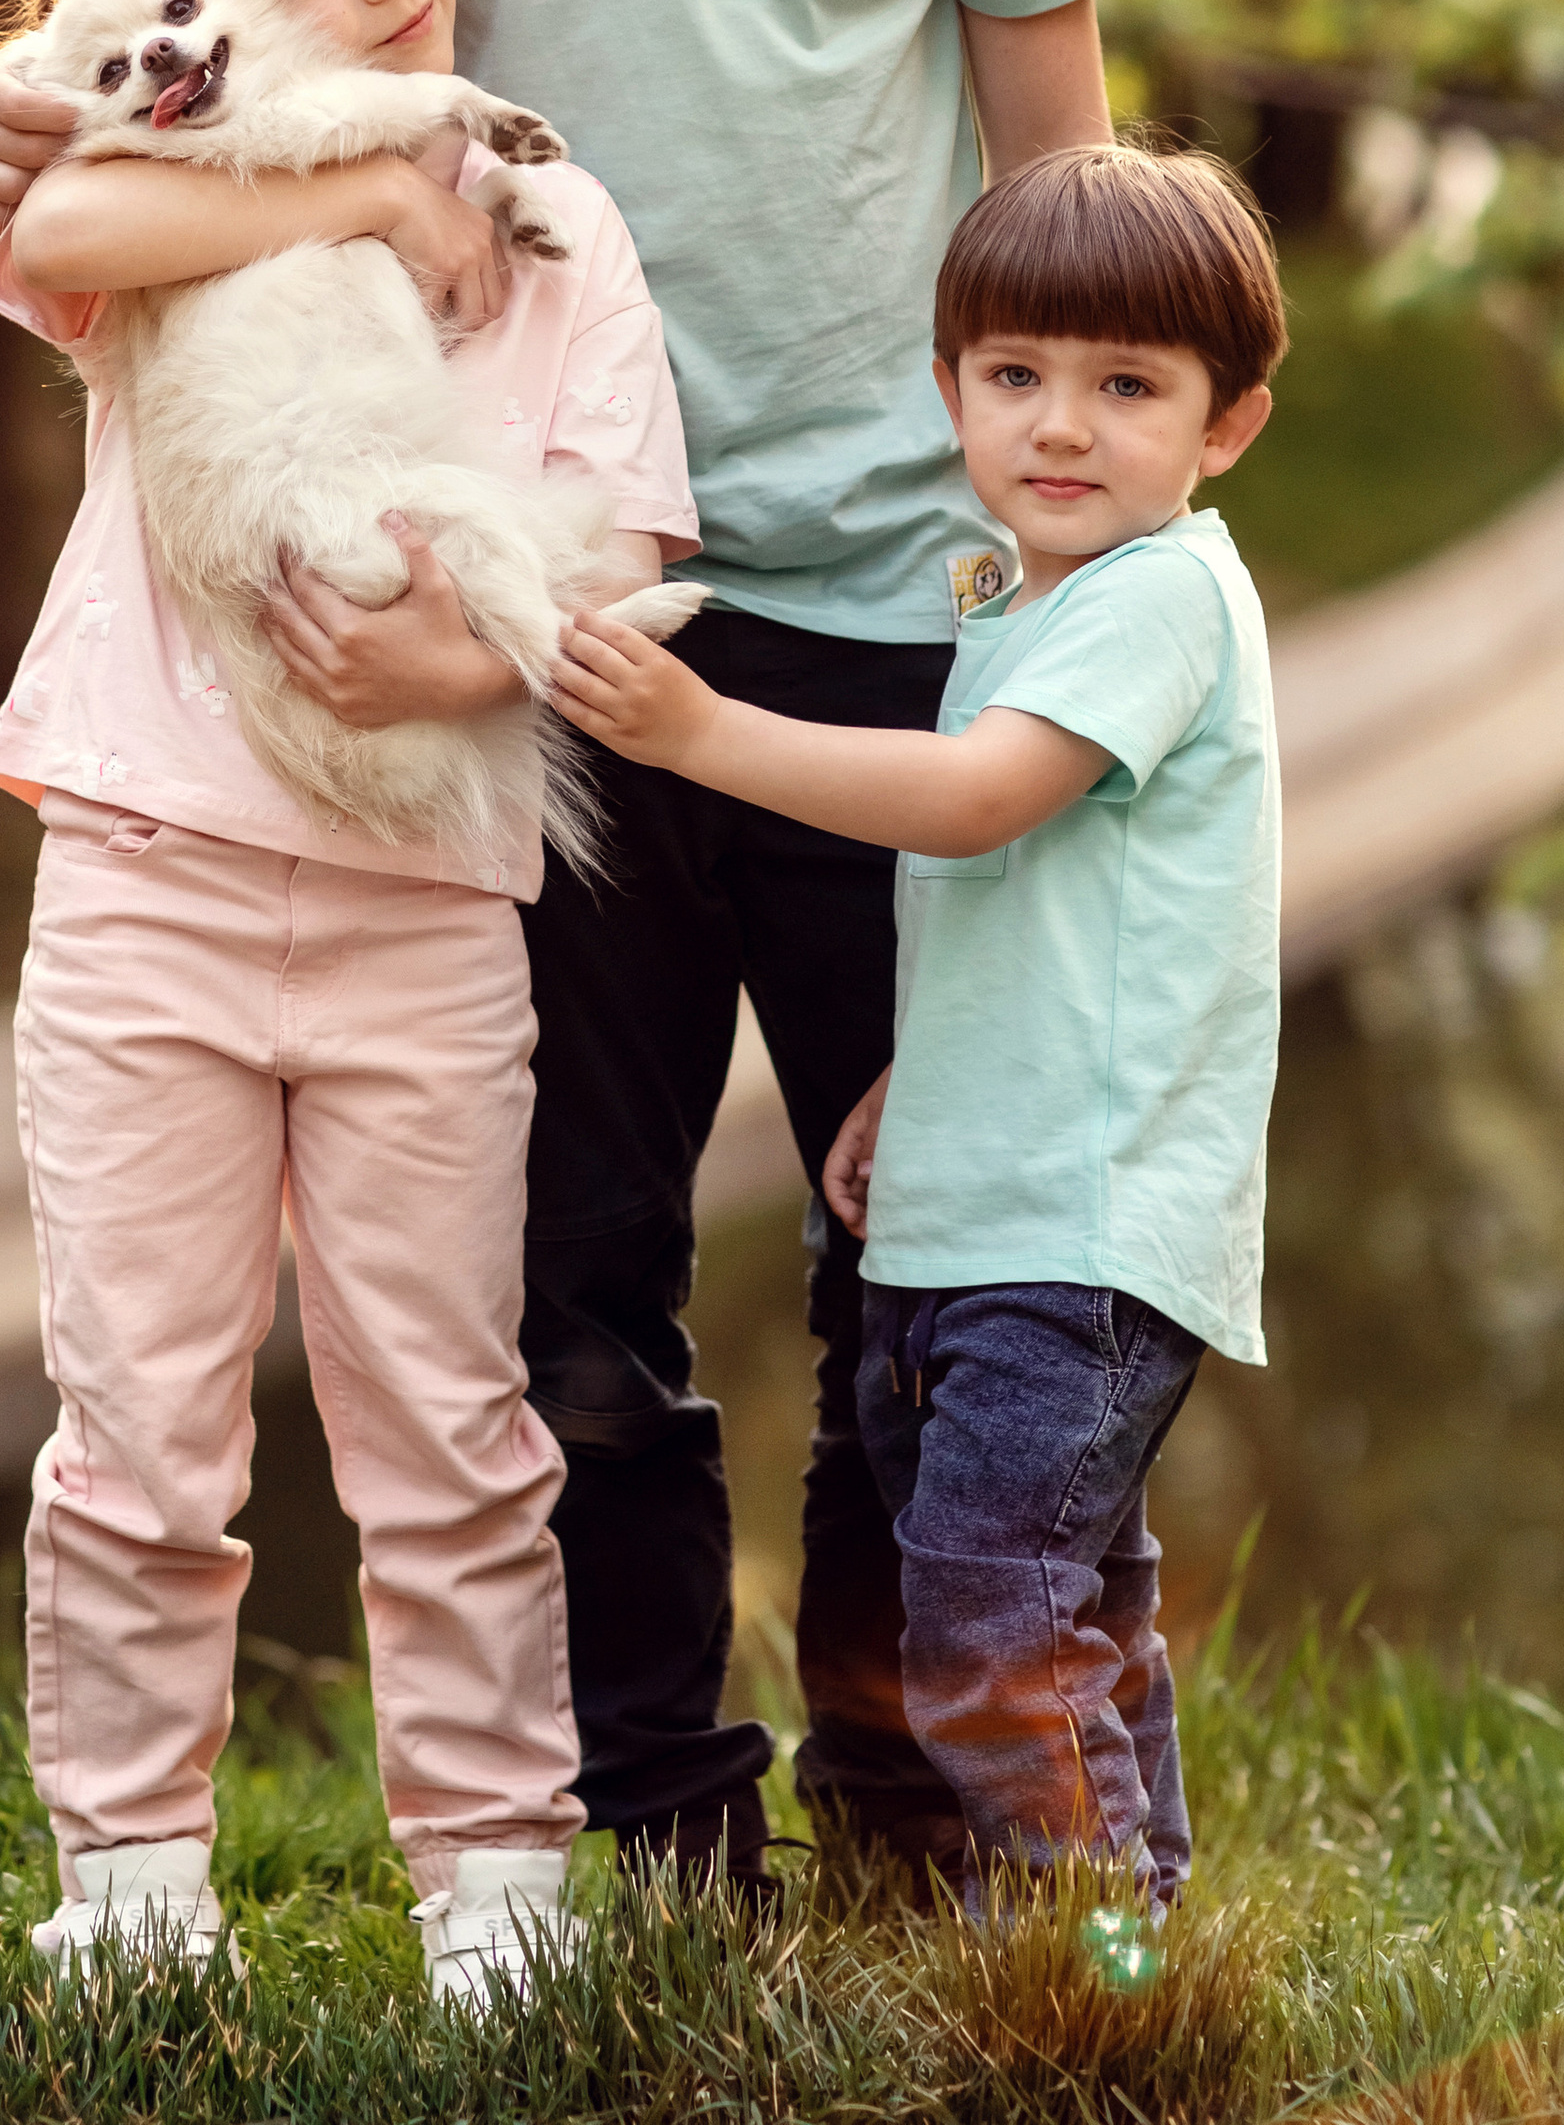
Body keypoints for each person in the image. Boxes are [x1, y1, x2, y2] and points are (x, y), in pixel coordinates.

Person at [0, 0, 1147, 1887]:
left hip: (888, 620)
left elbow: (1057, 194)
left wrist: (1077, 604)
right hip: (531, 639)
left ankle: (925, 1836)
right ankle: (648, 1848)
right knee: (563, 1294)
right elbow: (165, 86)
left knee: (931, 1277)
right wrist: (114, 149)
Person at [0, 0, 700, 2001]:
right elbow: (63, 213)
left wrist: (451, 667)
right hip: (144, 886)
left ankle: (497, 1891)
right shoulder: (160, 180)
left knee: (448, 1426)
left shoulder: (567, 233)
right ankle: (130, 1894)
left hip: (420, 922)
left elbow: (632, 559)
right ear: (200, 6)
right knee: (140, 1428)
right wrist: (368, 190)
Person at [550, 142, 1285, 1909]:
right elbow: (1025, 922)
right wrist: (905, 1080)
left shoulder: (1161, 597)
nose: (1061, 425)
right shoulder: (1026, 596)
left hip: (1079, 1234)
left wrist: (696, 732)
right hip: (986, 1199)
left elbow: (974, 807)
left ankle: (1087, 1973)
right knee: (1069, 1610)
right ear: (948, 389)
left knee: (983, 1622)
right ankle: (1133, 1954)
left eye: (1127, 388)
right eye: (1015, 376)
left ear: (1226, 427)